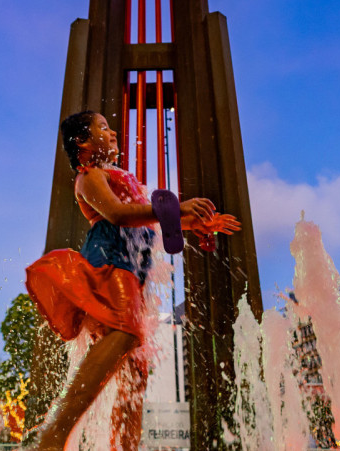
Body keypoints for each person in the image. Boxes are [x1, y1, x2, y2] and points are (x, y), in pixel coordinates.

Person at [25, 111, 239, 450]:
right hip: (109, 265)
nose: (113, 134)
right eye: (103, 128)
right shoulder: (89, 177)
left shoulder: (116, 175)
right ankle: (53, 435)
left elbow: (145, 219)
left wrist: (191, 223)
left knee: (134, 376)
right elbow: (118, 214)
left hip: (131, 274)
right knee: (124, 333)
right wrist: (177, 210)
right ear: (82, 142)